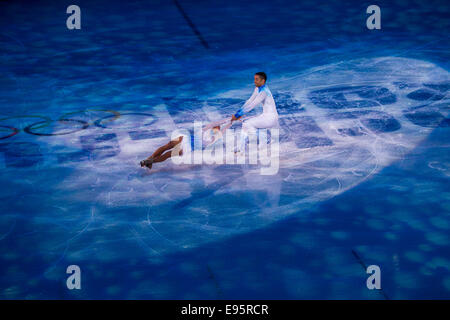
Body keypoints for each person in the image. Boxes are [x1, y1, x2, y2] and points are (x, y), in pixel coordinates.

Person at [140, 121, 229, 169]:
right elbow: (216, 124)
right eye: (217, 127)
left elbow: (221, 129)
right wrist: (228, 120)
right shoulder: (207, 132)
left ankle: (148, 160)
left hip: (187, 144)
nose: (218, 129)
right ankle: (149, 160)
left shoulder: (211, 136)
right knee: (167, 148)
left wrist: (230, 121)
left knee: (167, 151)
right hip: (186, 142)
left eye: (218, 128)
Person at [231, 72, 279, 153]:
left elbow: (252, 105)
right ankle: (241, 147)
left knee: (247, 124)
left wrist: (238, 115)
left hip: (271, 118)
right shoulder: (257, 89)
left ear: (263, 81)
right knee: (245, 123)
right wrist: (238, 112)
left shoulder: (264, 92)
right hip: (265, 116)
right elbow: (250, 101)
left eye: (257, 79)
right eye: (254, 79)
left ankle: (265, 139)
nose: (254, 81)